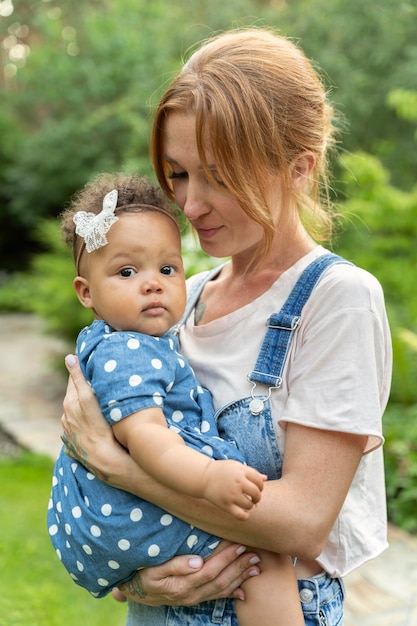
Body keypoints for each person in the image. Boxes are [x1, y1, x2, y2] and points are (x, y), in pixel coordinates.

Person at [60, 27, 392, 626]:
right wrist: (139, 581)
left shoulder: (337, 300)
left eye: (218, 175)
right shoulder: (183, 299)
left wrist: (120, 467)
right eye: (179, 173)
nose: (189, 205)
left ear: (298, 166)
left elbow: (301, 522)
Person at [48, 172, 305, 625]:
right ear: (86, 292)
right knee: (266, 559)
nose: (153, 284)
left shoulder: (123, 341)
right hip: (133, 514)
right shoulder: (126, 351)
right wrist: (209, 478)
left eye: (167, 269)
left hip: (114, 518)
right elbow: (146, 437)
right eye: (127, 272)